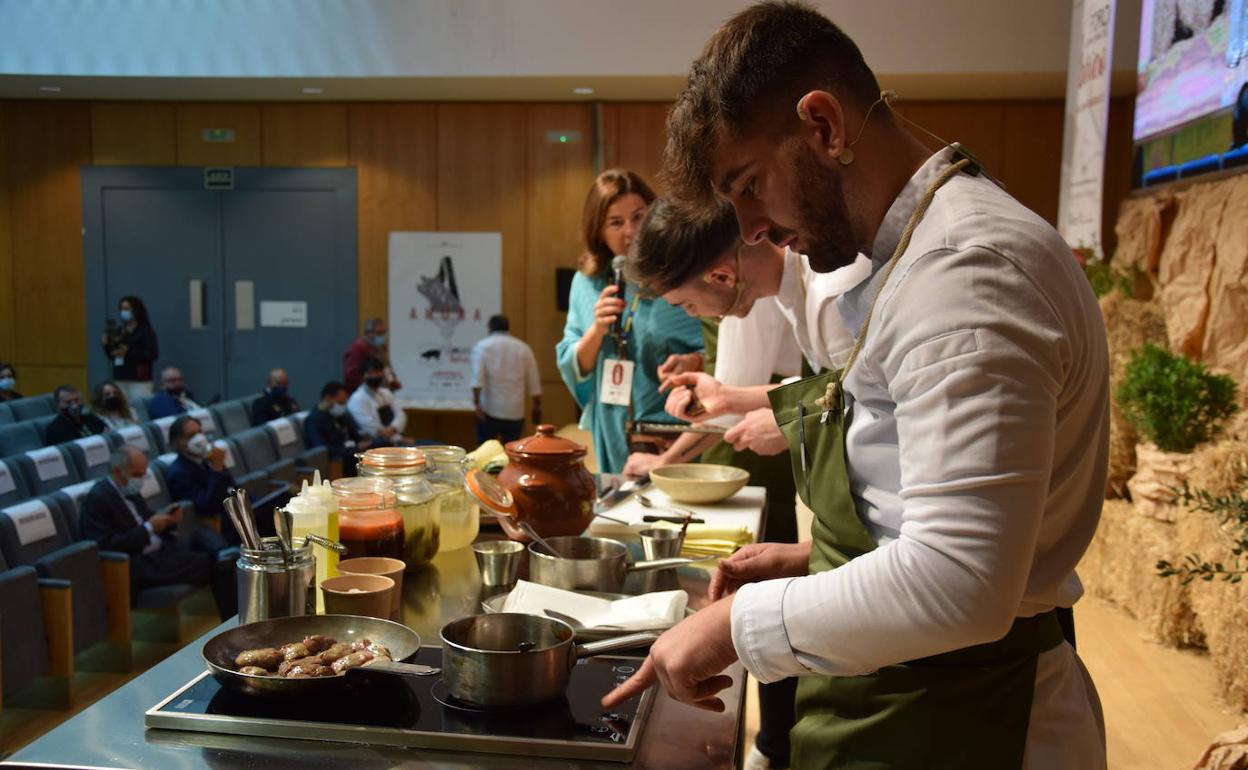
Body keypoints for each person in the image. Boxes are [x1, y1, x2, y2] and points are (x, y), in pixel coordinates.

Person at [604, 5, 1109, 769]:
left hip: (973, 715)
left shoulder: (964, 272)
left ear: (825, 127)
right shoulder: (918, 256)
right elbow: (921, 500)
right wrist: (813, 559)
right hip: (913, 695)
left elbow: (958, 582)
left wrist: (739, 622)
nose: (751, 228)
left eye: (748, 186)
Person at [554, 169, 704, 474]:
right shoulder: (587, 284)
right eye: (616, 222)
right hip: (612, 419)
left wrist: (694, 361)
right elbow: (572, 364)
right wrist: (597, 330)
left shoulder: (679, 277)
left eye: (639, 216)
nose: (631, 231)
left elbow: (716, 351)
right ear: (598, 231)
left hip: (673, 425)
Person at [79, 446, 237, 620]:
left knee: (216, 552)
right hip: (140, 565)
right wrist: (149, 528)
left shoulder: (127, 489)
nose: (139, 480)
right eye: (137, 475)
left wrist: (167, 520)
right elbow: (106, 545)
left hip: (161, 554)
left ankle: (232, 617)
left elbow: (146, 518)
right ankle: (232, 620)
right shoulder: (98, 499)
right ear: (117, 472)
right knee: (217, 564)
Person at [164, 414, 241, 542]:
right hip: (218, 528)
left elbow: (232, 488)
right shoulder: (178, 473)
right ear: (178, 443)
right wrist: (217, 468)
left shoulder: (207, 460)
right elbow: (208, 506)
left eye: (200, 432)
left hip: (236, 516)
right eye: (191, 436)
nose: (199, 438)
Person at [470, 315, 542, 445]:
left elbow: (477, 379)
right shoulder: (523, 348)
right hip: (515, 410)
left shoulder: (482, 346)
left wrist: (476, 403)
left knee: (484, 455)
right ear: (508, 327)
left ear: (490, 327)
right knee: (512, 455)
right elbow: (534, 379)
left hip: (490, 410)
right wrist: (536, 406)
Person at [100, 295, 159, 403]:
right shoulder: (119, 331)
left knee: (140, 409)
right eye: (122, 309)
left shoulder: (145, 331)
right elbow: (112, 355)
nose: (124, 312)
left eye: (127, 309)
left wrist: (128, 352)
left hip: (139, 380)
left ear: (136, 310)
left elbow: (152, 354)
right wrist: (106, 346)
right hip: (120, 377)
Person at [305, 381, 370, 475]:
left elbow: (354, 435)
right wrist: (351, 449)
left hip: (351, 452)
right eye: (340, 402)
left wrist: (361, 444)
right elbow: (321, 449)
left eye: (344, 403)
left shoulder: (340, 416)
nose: (342, 406)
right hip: (338, 460)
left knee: (378, 445)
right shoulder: (313, 420)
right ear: (328, 398)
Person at [347, 358, 411, 446]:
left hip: (397, 438)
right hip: (377, 445)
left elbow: (401, 414)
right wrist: (398, 439)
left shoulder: (386, 392)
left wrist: (393, 429)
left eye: (378, 372)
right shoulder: (357, 399)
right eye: (371, 373)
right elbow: (372, 428)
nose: (375, 376)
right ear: (363, 375)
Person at [343, 318, 402, 393]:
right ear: (368, 333)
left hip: (381, 391)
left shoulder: (380, 347)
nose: (382, 336)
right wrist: (370, 387)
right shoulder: (357, 348)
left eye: (384, 333)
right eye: (379, 333)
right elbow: (351, 375)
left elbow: (385, 366)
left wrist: (392, 381)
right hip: (365, 392)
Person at [44, 385, 109, 446]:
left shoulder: (91, 418)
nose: (74, 406)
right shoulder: (55, 430)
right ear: (57, 406)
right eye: (68, 402)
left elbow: (108, 434)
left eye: (76, 400)